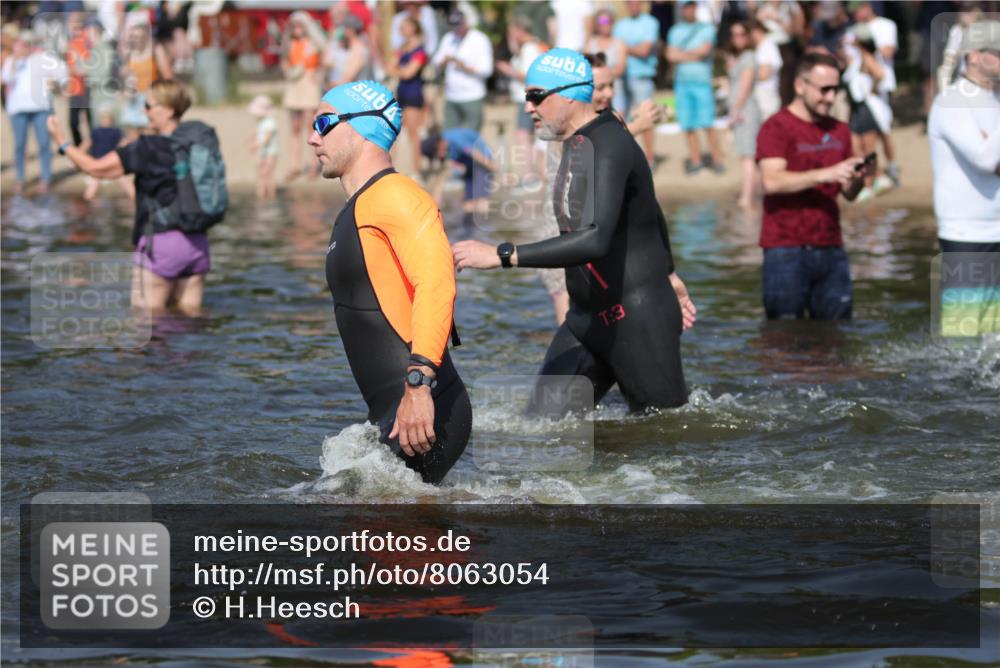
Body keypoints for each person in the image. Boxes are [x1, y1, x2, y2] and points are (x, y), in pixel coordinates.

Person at [452, 49, 689, 414]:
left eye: (535, 96)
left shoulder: (608, 144)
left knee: (663, 438)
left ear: (569, 94)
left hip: (637, 318)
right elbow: (649, 208)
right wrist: (670, 270)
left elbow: (595, 238)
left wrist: (502, 255)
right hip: (584, 319)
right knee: (540, 430)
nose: (527, 107)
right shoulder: (576, 144)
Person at [310, 79, 471, 484]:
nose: (313, 138)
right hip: (393, 411)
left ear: (364, 126)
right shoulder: (359, 206)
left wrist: (417, 386)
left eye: (324, 122)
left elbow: (437, 283)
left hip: (422, 407)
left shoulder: (397, 197)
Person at [47, 79, 226, 313]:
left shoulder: (146, 147)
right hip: (198, 245)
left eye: (149, 106)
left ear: (168, 110)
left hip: (160, 245)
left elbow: (94, 168)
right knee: (191, 323)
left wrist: (62, 142)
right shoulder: (197, 140)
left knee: (145, 323)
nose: (144, 111)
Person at [755, 52, 873, 320]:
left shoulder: (840, 130)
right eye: (824, 90)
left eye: (836, 89)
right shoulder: (776, 127)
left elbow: (848, 194)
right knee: (782, 336)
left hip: (831, 246)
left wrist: (857, 178)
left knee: (838, 332)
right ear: (800, 85)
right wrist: (828, 173)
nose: (831, 98)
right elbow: (771, 181)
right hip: (784, 249)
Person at [928, 19, 1000, 337]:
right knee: (963, 342)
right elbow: (986, 160)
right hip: (967, 235)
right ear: (973, 55)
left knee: (993, 344)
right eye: (998, 54)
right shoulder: (950, 102)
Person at [2, 30, 67, 196]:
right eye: (22, 43)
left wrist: (59, 84)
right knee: (19, 145)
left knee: (44, 144)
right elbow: (5, 79)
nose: (24, 46)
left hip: (41, 108)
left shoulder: (43, 58)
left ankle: (45, 179)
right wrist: (16, 60)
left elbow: (62, 71)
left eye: (27, 43)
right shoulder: (12, 60)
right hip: (18, 109)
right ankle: (20, 179)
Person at [849, 0, 900, 189]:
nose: (855, 14)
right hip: (862, 95)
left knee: (882, 132)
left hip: (878, 90)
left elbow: (887, 54)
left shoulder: (886, 25)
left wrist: (865, 47)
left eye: (858, 10)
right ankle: (876, 175)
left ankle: (888, 169)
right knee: (866, 138)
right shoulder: (855, 32)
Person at [667, 0, 722, 174]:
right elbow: (670, 55)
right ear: (682, 9)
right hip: (682, 83)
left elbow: (704, 51)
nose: (689, 9)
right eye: (686, 6)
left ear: (696, 8)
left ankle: (717, 159)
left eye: (692, 6)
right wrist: (692, 54)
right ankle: (696, 160)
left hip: (702, 82)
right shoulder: (675, 31)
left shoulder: (707, 28)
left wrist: (681, 54)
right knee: (688, 124)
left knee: (708, 123)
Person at [495, 16, 544, 182]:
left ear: (519, 30)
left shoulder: (529, 48)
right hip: (525, 98)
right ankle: (534, 173)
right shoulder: (528, 47)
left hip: (526, 98)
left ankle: (531, 174)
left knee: (524, 135)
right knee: (529, 136)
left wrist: (507, 70)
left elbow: (528, 76)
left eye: (511, 32)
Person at [421, 125, 495, 234]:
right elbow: (445, 173)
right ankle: (471, 233)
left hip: (482, 162)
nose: (441, 155)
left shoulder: (455, 140)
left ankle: (486, 232)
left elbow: (477, 155)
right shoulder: (444, 147)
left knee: (481, 201)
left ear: (439, 143)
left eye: (438, 152)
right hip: (469, 164)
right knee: (467, 205)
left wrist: (497, 170)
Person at [613, 0, 661, 166]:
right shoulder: (620, 24)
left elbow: (645, 50)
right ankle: (627, 157)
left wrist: (625, 49)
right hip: (622, 77)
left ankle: (650, 158)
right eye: (630, 3)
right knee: (621, 118)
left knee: (646, 117)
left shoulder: (651, 22)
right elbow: (618, 49)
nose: (633, 5)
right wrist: (630, 49)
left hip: (642, 77)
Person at [432, 10, 493, 132]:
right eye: (453, 25)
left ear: (466, 22)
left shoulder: (480, 39)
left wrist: (463, 66)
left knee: (470, 138)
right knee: (449, 137)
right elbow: (436, 62)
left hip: (472, 95)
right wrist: (445, 61)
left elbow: (487, 70)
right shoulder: (448, 38)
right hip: (451, 95)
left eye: (459, 25)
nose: (456, 29)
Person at [281, 11, 325, 182]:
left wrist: (319, 74)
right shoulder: (290, 44)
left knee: (310, 126)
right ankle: (295, 165)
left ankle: (313, 164)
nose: (296, 30)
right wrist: (288, 70)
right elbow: (285, 61)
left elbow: (323, 61)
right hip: (294, 84)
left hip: (308, 84)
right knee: (295, 127)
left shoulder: (313, 45)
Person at [726, 20, 763, 207]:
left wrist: (734, 112)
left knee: (748, 157)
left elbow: (745, 87)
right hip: (742, 109)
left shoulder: (748, 57)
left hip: (745, 111)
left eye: (741, 34)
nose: (737, 38)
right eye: (734, 35)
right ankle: (755, 196)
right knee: (750, 157)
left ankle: (747, 198)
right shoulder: (739, 57)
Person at [389, 15, 428, 176]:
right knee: (395, 132)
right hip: (402, 93)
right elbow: (391, 66)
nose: (401, 31)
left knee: (413, 133)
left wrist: (396, 70)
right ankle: (391, 169)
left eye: (404, 27)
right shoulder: (402, 48)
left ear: (413, 29)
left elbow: (408, 73)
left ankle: (417, 170)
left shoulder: (420, 51)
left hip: (413, 94)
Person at [81, 106, 133, 202]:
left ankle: (89, 203)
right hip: (109, 161)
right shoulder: (115, 131)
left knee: (92, 186)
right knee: (125, 183)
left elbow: (85, 145)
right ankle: (134, 200)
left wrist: (76, 156)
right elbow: (125, 144)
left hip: (101, 162)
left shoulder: (99, 131)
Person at [585, 9, 627, 115]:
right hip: (595, 89)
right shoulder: (591, 42)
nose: (605, 25)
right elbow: (585, 66)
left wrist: (601, 76)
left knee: (619, 117)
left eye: (608, 21)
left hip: (616, 87)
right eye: (602, 22)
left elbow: (621, 68)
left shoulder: (619, 43)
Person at [64, 11, 91, 147]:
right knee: (73, 122)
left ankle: (94, 150)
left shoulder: (88, 41)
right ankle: (79, 149)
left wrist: (80, 70)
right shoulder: (70, 43)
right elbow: (69, 67)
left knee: (91, 121)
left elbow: (88, 67)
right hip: (75, 88)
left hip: (87, 87)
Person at [248, 94, 278, 202]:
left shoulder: (270, 122)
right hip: (263, 152)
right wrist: (251, 138)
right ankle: (261, 195)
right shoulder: (261, 122)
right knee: (260, 173)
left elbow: (267, 138)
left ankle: (271, 195)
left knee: (268, 173)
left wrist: (255, 145)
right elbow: (258, 133)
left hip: (270, 153)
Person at [751, 19, 783, 121]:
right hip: (764, 94)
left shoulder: (767, 46)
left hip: (767, 94)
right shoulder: (763, 46)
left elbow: (764, 74)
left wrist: (746, 77)